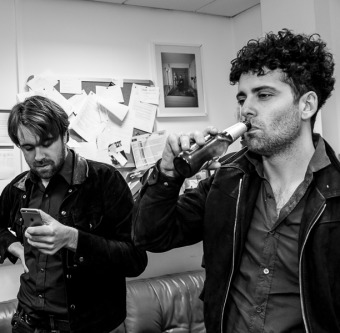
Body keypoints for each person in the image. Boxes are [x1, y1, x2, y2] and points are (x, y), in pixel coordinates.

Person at [133, 29, 338, 333]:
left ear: (306, 105)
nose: (246, 109)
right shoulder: (227, 179)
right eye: (243, 97)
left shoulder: (335, 194)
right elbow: (152, 237)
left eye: (264, 95)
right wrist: (167, 175)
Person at [0, 95, 148, 333]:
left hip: (90, 325)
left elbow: (135, 261)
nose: (38, 156)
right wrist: (15, 247)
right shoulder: (20, 187)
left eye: (47, 143)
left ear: (65, 136)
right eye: (28, 148)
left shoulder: (104, 180)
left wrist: (73, 239)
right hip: (28, 322)